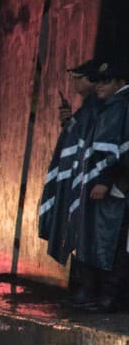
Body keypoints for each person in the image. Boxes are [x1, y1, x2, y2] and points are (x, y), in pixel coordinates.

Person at [66, 61, 129, 312]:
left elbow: (118, 146)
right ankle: (101, 293)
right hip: (115, 183)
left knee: (114, 240)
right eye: (99, 80)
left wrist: (105, 179)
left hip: (119, 185)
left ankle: (108, 295)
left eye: (107, 81)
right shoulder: (112, 105)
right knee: (109, 239)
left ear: (120, 83)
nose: (100, 85)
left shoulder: (121, 106)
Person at [39, 59, 101, 281]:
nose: (74, 84)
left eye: (78, 79)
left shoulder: (95, 107)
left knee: (82, 227)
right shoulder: (87, 108)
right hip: (80, 177)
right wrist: (68, 123)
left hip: (87, 179)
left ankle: (85, 286)